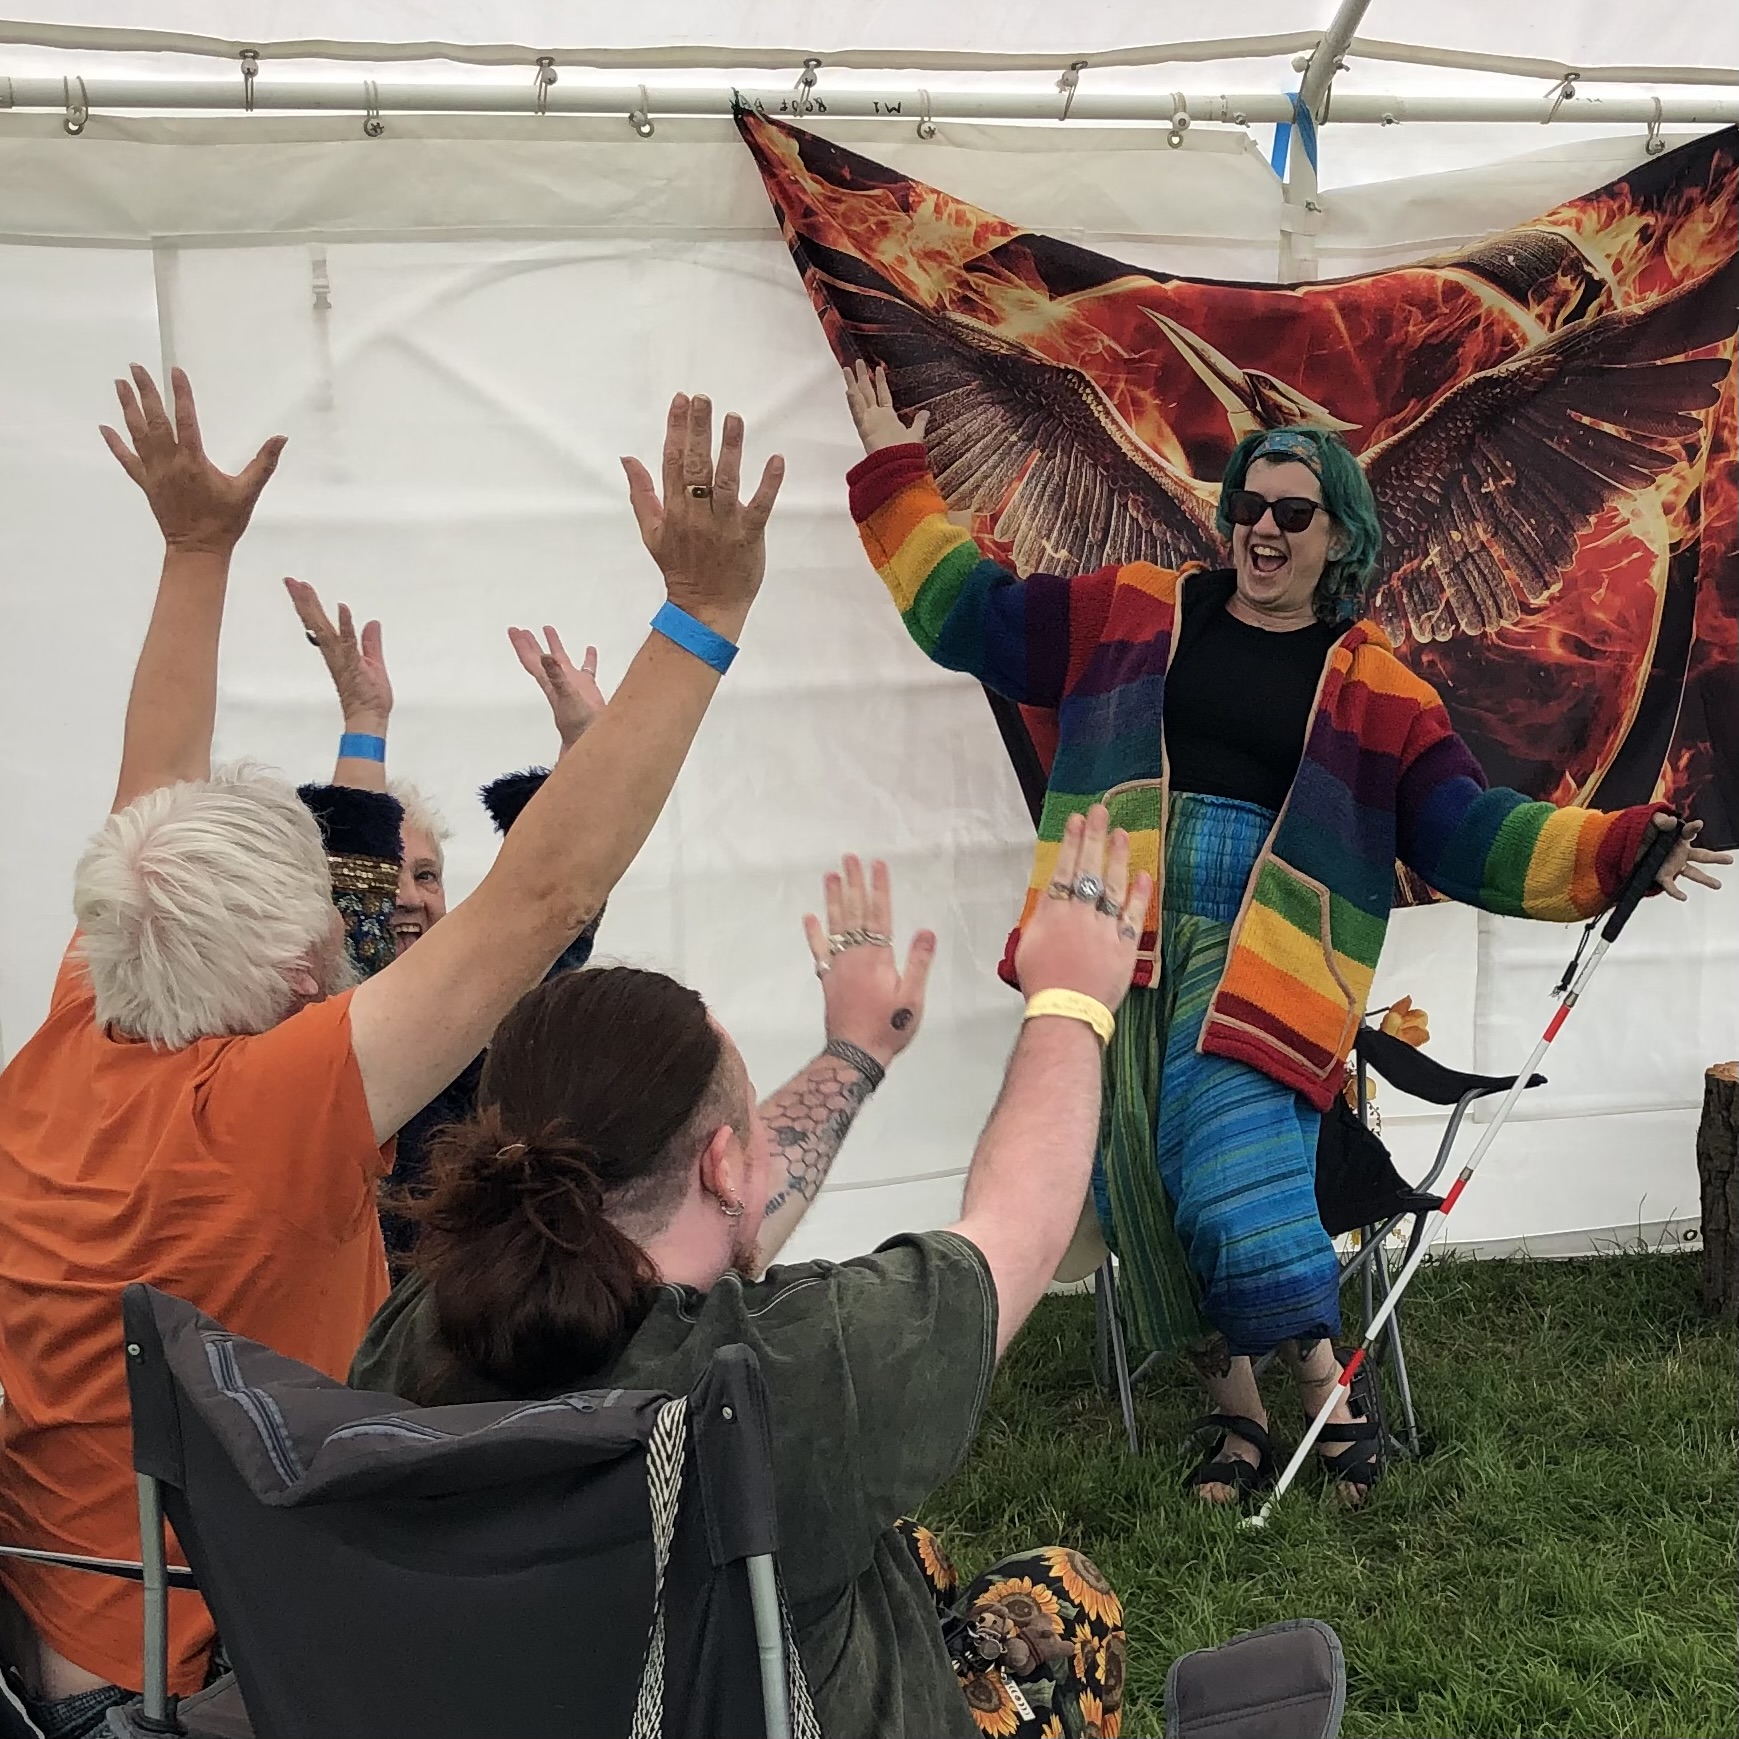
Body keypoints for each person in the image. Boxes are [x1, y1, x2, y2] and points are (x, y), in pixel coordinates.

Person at [0, 364, 782, 1731]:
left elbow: (150, 785)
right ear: (299, 970)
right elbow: (533, 896)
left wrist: (196, 551)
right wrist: (702, 617)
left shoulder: (86, 1009)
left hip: (49, 1627)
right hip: (188, 1681)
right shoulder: (259, 1102)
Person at [839, 360, 1730, 1508]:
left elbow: (1467, 834)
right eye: (1247, 506)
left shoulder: (1376, 688)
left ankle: (1326, 1392)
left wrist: (1614, 849)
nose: (1261, 527)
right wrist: (891, 475)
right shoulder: (1129, 610)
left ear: (1336, 534)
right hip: (1109, 940)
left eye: (1290, 512)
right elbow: (970, 618)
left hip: (1265, 966)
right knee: (1139, 1192)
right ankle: (1237, 1422)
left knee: (1227, 1181)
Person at [353, 809, 1147, 1739]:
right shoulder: (786, 1376)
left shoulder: (416, 1330)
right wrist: (1072, 1000)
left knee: (916, 1550)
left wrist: (855, 1051)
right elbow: (1018, 1227)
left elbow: (689, 1220)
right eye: (751, 1131)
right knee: (1065, 1596)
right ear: (724, 1164)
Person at [285, 582, 613, 1262]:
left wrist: (586, 750)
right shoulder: (316, 1010)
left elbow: (552, 906)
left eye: (426, 875)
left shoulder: (480, 1001)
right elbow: (356, 910)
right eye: (390, 872)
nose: (407, 896)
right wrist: (364, 721)